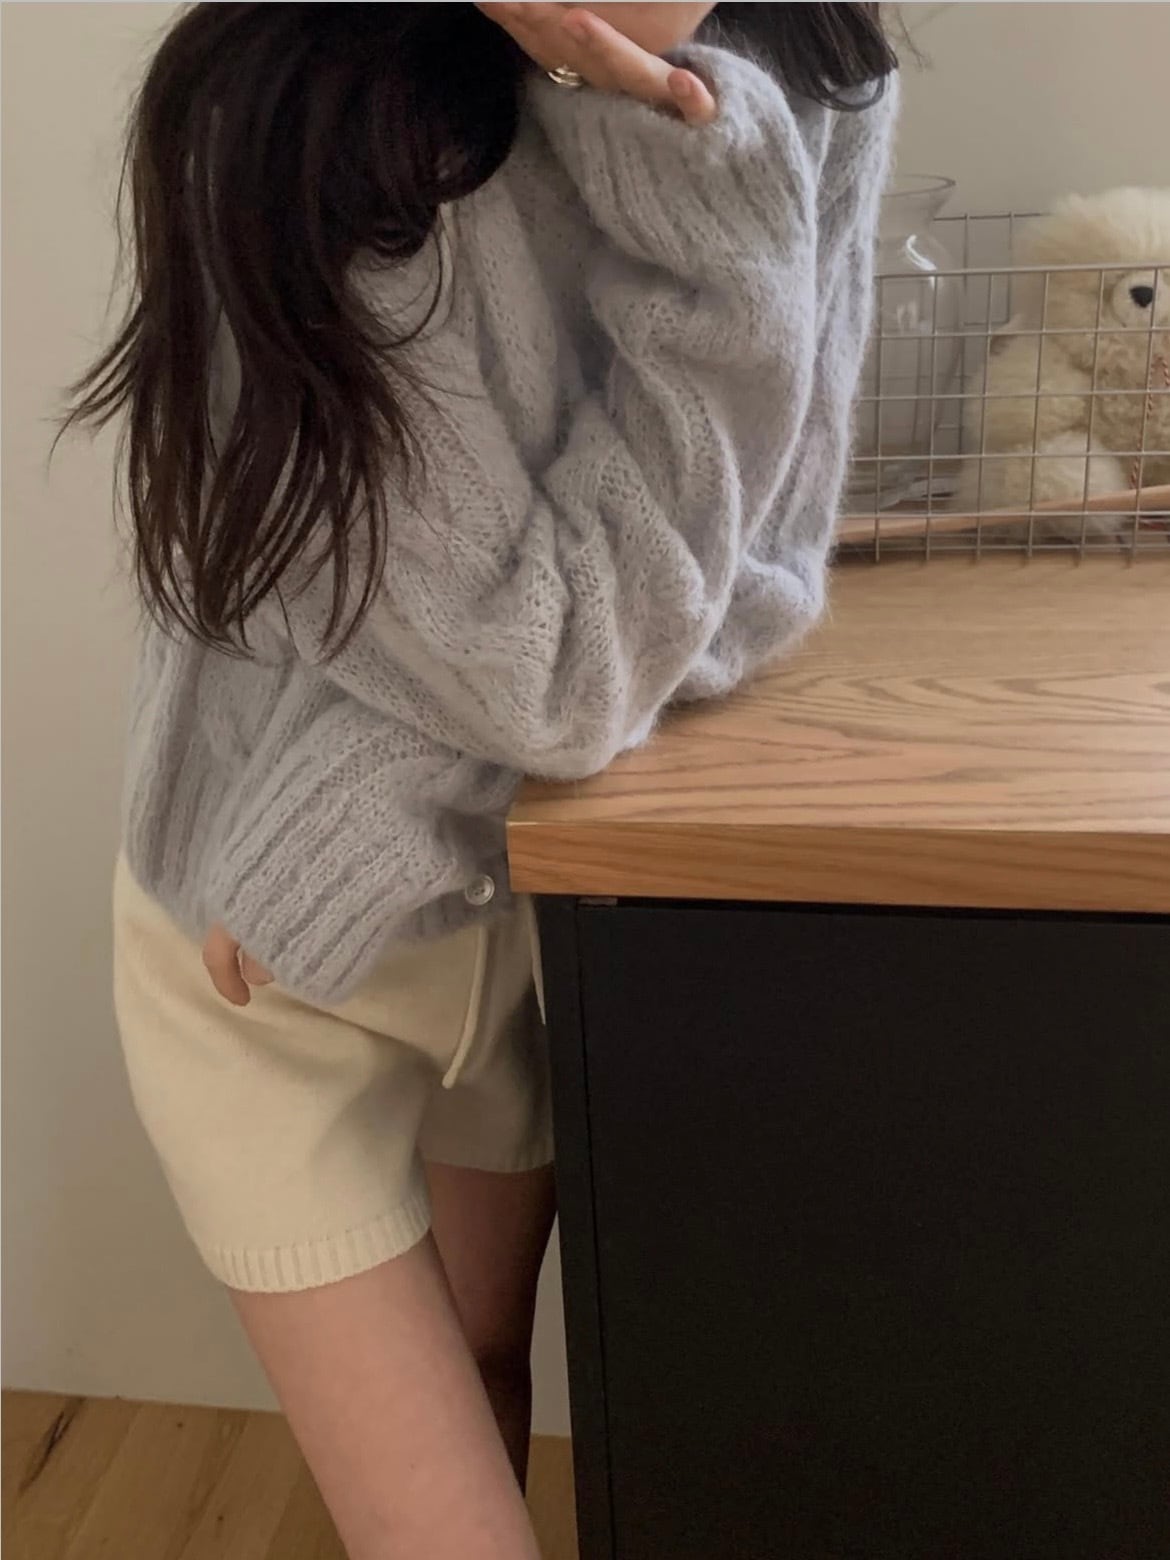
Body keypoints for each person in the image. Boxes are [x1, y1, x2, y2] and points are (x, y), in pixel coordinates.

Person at [68, 4, 898, 1555]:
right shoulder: (288, 99)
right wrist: (358, 813)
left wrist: (387, 793)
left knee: (490, 1364)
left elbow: (761, 568)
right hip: (254, 940)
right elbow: (544, 668)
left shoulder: (811, 66)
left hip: (508, 896)